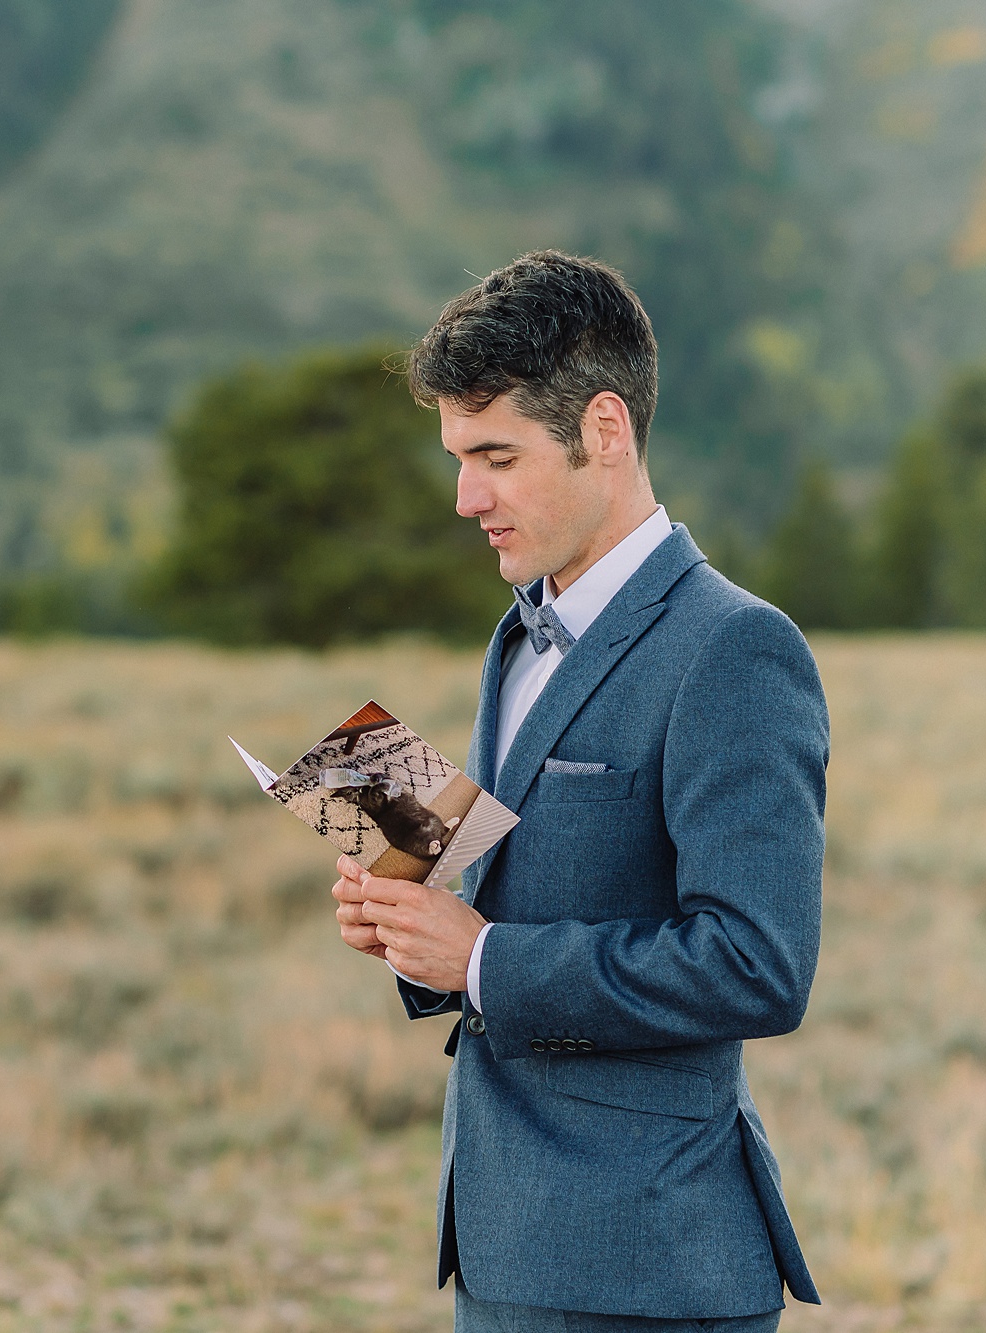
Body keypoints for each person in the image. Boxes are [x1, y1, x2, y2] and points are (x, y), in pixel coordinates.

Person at [330, 251, 825, 1332]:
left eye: (495, 457)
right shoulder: (513, 635)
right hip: (498, 1240)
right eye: (458, 458)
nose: (465, 497)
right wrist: (406, 922)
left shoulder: (736, 648)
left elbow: (758, 964)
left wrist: (479, 956)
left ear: (603, 429)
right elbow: (511, 893)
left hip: (646, 1263)